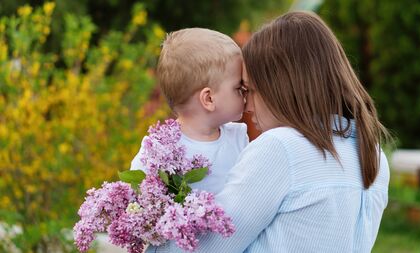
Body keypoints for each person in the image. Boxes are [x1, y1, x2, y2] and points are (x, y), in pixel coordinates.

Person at [167, 11, 391, 253]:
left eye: (250, 90)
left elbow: (206, 247)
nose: (247, 106)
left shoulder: (281, 148)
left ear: (280, 86)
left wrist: (152, 226)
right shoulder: (372, 154)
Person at [129, 28, 249, 251]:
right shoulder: (160, 148)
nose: (246, 94)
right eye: (238, 88)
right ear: (209, 98)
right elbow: (136, 196)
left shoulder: (239, 137)